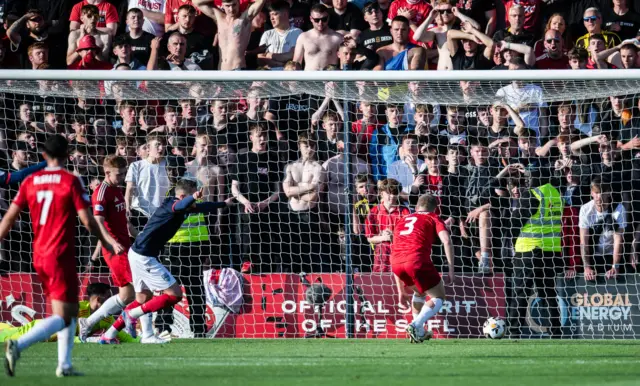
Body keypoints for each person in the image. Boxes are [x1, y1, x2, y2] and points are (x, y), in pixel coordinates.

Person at [1, 135, 120, 377]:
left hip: (39, 253)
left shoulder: (30, 181)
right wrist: (106, 241)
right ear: (67, 155)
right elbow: (87, 221)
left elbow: (10, 217)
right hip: (60, 253)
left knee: (69, 311)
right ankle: (19, 345)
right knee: (66, 314)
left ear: (43, 156)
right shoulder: (71, 181)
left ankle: (64, 365)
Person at [99, 178, 232, 342]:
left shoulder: (182, 205)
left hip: (138, 253)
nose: (195, 202)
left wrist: (223, 204)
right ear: (183, 196)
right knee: (174, 294)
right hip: (144, 257)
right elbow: (182, 205)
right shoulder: (173, 205)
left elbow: (201, 207)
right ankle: (132, 316)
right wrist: (194, 196)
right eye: (191, 198)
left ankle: (108, 335)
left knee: (142, 299)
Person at [78, 156, 150, 342]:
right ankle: (147, 334)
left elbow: (124, 224)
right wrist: (112, 242)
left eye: (124, 173)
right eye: (119, 174)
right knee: (144, 288)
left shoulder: (116, 190)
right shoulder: (101, 192)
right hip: (115, 250)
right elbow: (98, 223)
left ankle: (90, 323)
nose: (122, 177)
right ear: (107, 172)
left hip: (125, 246)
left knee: (126, 295)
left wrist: (140, 237)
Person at [392, 194, 454, 343]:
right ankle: (416, 324)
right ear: (436, 208)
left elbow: (395, 248)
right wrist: (451, 269)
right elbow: (446, 240)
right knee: (438, 297)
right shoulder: (433, 217)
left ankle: (418, 332)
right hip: (416, 260)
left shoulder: (401, 220)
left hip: (396, 263)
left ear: (417, 207)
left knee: (419, 291)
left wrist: (400, 289)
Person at [0, 283, 140, 344]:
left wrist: (141, 340)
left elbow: (123, 336)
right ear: (99, 299)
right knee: (7, 337)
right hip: (38, 330)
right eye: (109, 298)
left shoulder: (105, 318)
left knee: (8, 331)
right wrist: (83, 340)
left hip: (46, 335)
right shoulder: (76, 309)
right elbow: (59, 332)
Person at [282, 134, 327, 272]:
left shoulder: (318, 168)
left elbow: (313, 197)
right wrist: (308, 186)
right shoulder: (290, 166)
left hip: (309, 214)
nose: (309, 149)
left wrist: (296, 191)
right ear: (299, 146)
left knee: (309, 254)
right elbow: (287, 192)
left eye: (312, 146)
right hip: (292, 215)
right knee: (292, 253)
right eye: (306, 145)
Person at [194, 0, 267, 70]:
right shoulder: (219, 18)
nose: (231, 9)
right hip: (222, 70)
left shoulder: (245, 18)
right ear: (222, 5)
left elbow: (261, 1)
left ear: (239, 3)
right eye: (227, 6)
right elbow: (197, 2)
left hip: (237, 69)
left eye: (234, 5)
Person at [293, 4, 343, 70]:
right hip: (309, 78)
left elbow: (344, 63)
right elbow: (296, 63)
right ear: (311, 19)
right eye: (316, 20)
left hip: (330, 79)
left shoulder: (337, 38)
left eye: (324, 19)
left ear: (328, 18)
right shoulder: (303, 37)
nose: (320, 23)